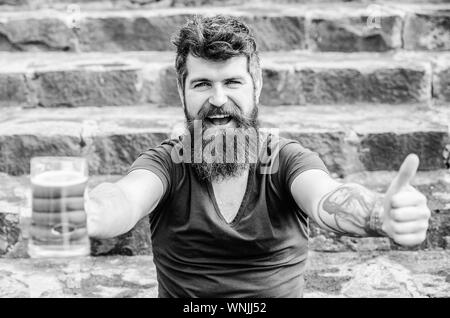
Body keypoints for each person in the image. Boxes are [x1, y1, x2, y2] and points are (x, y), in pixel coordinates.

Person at [85, 15, 431, 298]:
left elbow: (327, 197)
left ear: (257, 85)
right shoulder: (166, 163)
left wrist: (377, 215)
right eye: (203, 84)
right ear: (182, 90)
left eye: (233, 82)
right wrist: (93, 211)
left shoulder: (287, 160)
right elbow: (126, 197)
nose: (218, 99)